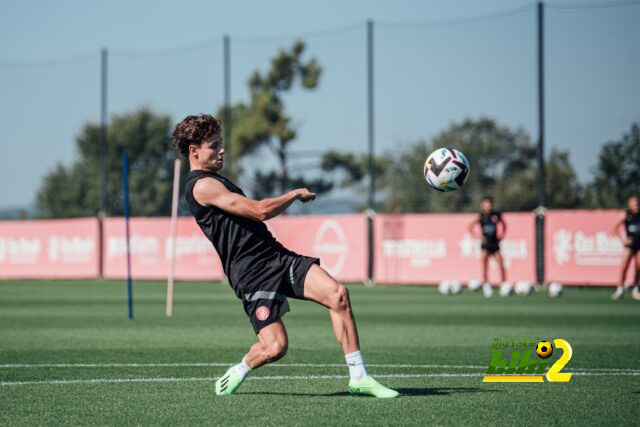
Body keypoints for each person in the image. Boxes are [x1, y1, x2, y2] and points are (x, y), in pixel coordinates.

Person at [172, 114, 398, 398]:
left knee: (337, 294)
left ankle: (359, 377)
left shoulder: (216, 180)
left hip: (275, 256)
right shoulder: (202, 186)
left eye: (220, 143)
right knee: (275, 347)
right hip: (251, 274)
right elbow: (259, 211)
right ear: (194, 151)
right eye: (214, 145)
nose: (222, 150)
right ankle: (240, 369)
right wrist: (292, 195)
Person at [468, 196, 507, 295]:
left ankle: (504, 285)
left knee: (500, 262)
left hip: (494, 243)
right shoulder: (481, 216)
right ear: (482, 206)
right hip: (485, 244)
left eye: (489, 204)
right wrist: (478, 236)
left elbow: (504, 224)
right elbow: (470, 226)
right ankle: (486, 285)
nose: (488, 207)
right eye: (486, 205)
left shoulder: (496, 215)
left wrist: (501, 235)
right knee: (485, 265)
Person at [611, 195, 640, 301]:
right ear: (630, 204)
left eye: (637, 203)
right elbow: (614, 228)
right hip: (629, 245)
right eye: (634, 203)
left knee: (638, 267)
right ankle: (620, 289)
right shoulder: (626, 214)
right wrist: (623, 240)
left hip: (639, 244)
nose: (636, 205)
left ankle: (636, 289)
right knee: (624, 267)